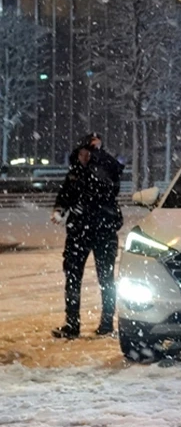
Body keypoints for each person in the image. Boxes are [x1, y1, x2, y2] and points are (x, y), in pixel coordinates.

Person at [51, 133, 124, 339]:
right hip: (79, 231)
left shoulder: (105, 169)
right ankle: (72, 322)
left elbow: (111, 181)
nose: (85, 157)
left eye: (89, 153)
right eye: (84, 152)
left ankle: (107, 322)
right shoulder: (75, 172)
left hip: (103, 230)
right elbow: (65, 193)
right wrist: (60, 209)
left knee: (106, 278)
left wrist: (99, 155)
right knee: (73, 276)